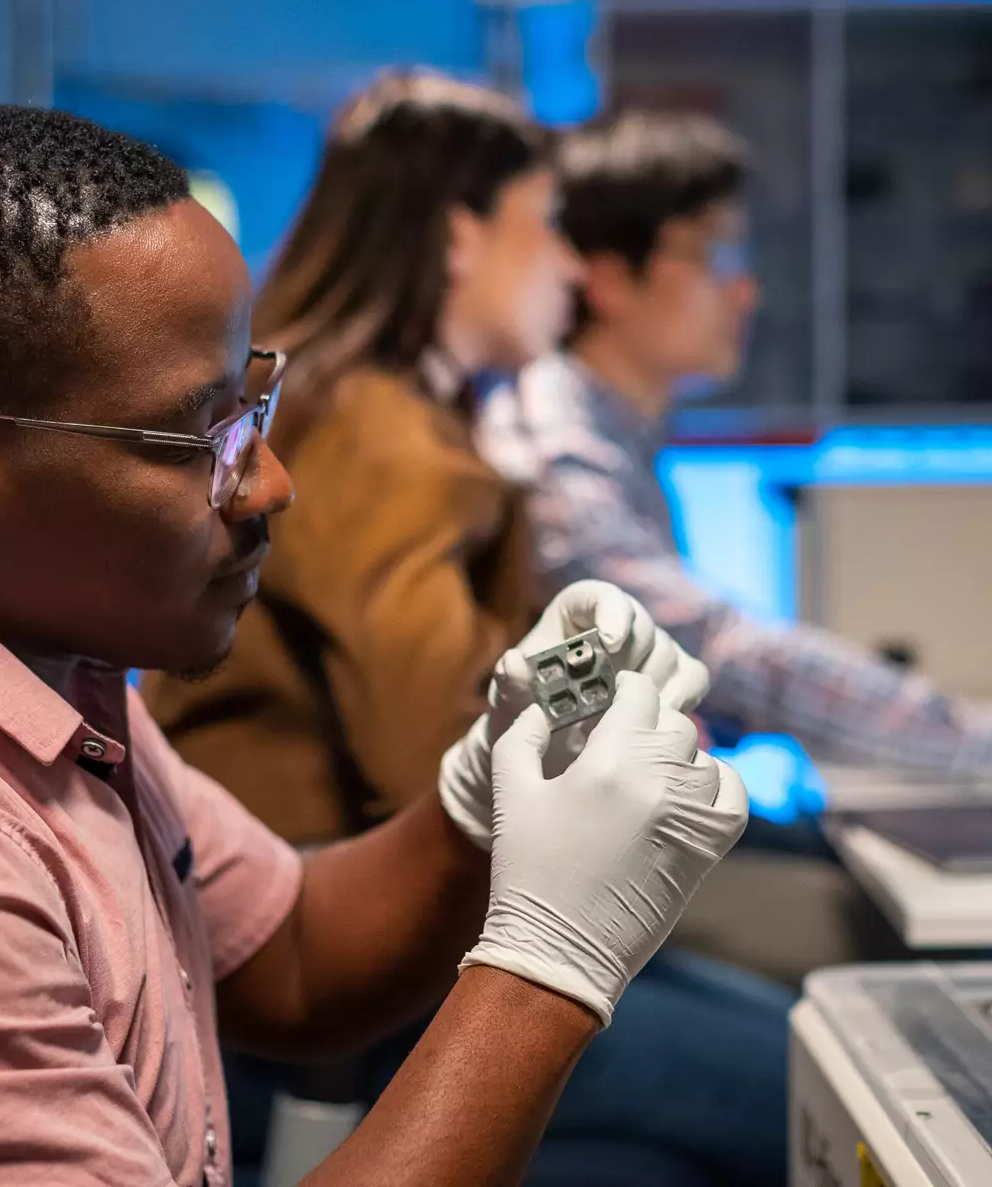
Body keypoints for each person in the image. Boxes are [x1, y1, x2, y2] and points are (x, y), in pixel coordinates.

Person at [0, 102, 748, 1187]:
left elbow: (289, 956)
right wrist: (549, 963)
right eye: (195, 438)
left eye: (252, 405)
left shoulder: (31, 671)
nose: (270, 484)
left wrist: (488, 784)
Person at [144, 75, 793, 1185]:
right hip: (355, 965)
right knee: (806, 1075)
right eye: (545, 227)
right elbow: (427, 756)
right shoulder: (378, 434)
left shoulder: (389, 410)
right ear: (458, 236)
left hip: (350, 933)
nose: (566, 266)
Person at [479, 111, 992, 793]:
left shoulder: (610, 431)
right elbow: (712, 653)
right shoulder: (557, 450)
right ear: (606, 279)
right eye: (713, 255)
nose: (744, 288)